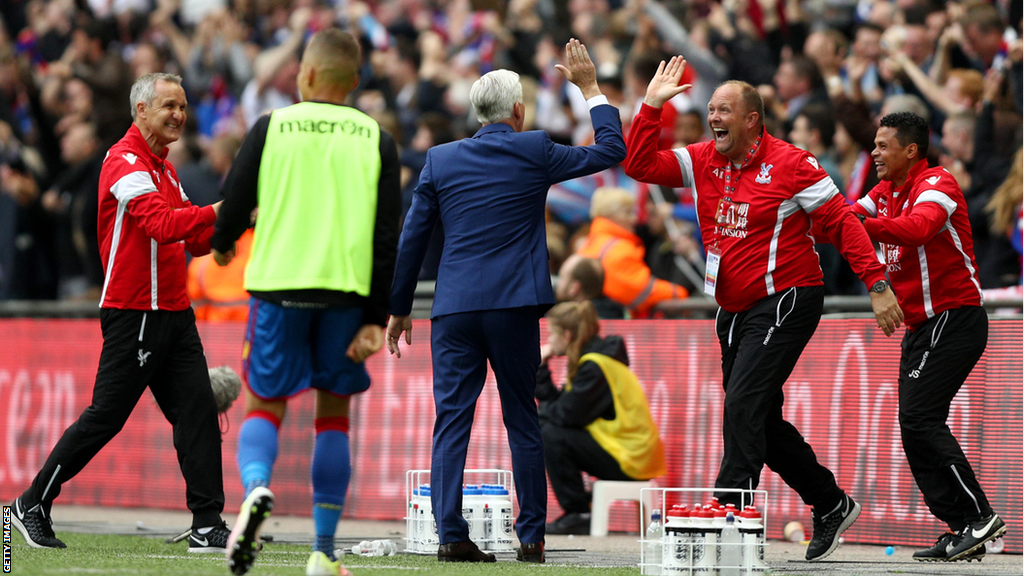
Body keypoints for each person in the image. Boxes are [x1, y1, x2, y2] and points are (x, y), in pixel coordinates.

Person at [623, 58, 904, 562]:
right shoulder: (704, 158)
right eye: (710, 109)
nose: (713, 117)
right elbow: (639, 166)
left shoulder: (793, 163)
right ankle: (831, 502)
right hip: (734, 308)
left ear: (752, 118)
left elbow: (841, 221)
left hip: (788, 297)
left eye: (724, 110)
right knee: (761, 422)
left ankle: (727, 520)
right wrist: (651, 106)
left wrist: (877, 283)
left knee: (742, 406)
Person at [386, 39, 626, 564]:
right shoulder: (534, 148)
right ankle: (532, 536)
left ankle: (450, 533)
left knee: (452, 418)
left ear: (478, 112)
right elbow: (611, 150)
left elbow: (413, 236)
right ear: (518, 111)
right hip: (514, 306)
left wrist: (400, 306)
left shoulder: (440, 159)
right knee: (522, 416)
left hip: (452, 309)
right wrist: (590, 90)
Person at [9, 73, 229, 552]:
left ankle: (208, 523)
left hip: (173, 310)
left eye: (184, 106)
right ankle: (30, 504)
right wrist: (223, 209)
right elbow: (163, 225)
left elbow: (194, 239)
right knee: (106, 415)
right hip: (136, 312)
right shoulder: (123, 161)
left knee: (197, 412)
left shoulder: (165, 170)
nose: (179, 115)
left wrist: (237, 224)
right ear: (141, 111)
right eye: (169, 105)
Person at [209, 29, 400, 576]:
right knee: (333, 416)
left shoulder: (272, 126)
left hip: (278, 288)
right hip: (344, 296)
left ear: (308, 75)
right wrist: (374, 317)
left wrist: (222, 246)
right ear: (355, 82)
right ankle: (323, 552)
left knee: (264, 405)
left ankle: (255, 492)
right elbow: (389, 235)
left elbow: (237, 196)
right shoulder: (376, 138)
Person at [851, 112, 1006, 562]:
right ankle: (962, 527)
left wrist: (861, 227)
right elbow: (841, 218)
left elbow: (920, 229)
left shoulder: (937, 184)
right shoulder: (883, 194)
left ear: (911, 151)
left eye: (883, 146)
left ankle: (979, 517)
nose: (874, 153)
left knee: (919, 418)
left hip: (955, 318)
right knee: (913, 423)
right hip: (923, 326)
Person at [537, 301, 666, 535]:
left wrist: (539, 368)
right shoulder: (596, 360)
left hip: (631, 458)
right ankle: (580, 506)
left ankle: (579, 512)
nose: (548, 341)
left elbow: (563, 415)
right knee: (548, 427)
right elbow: (563, 410)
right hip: (630, 453)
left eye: (551, 334)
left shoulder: (595, 366)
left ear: (566, 335)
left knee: (550, 433)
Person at [577, 187, 689, 317]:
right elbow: (642, 290)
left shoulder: (592, 242)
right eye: (628, 213)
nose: (634, 219)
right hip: (611, 321)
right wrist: (679, 294)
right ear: (610, 215)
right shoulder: (617, 248)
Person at [555, 254, 625, 319]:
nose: (557, 282)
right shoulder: (616, 315)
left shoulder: (570, 325)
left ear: (573, 288)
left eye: (561, 277)